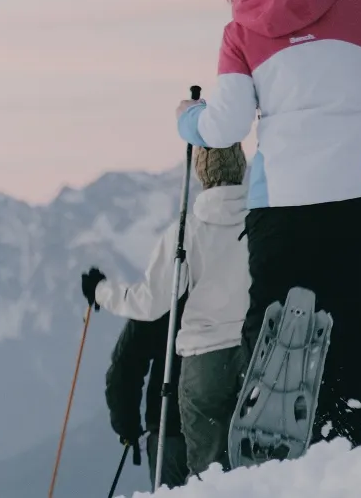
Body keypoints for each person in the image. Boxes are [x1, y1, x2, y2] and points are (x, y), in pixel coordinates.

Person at [172, 0, 361, 448]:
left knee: (268, 336)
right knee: (353, 339)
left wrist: (188, 119)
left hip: (282, 202)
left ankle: (266, 439)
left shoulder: (242, 30)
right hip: (358, 194)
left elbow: (226, 126)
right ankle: (350, 434)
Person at [86, 142, 253, 481]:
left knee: (204, 479)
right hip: (254, 362)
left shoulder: (184, 236)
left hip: (193, 378)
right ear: (241, 168)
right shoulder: (262, 224)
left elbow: (145, 314)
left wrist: (101, 292)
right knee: (253, 470)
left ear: (201, 173)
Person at [102, 300, 188, 488]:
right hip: (234, 422)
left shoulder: (168, 292)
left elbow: (126, 363)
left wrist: (127, 426)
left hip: (171, 426)